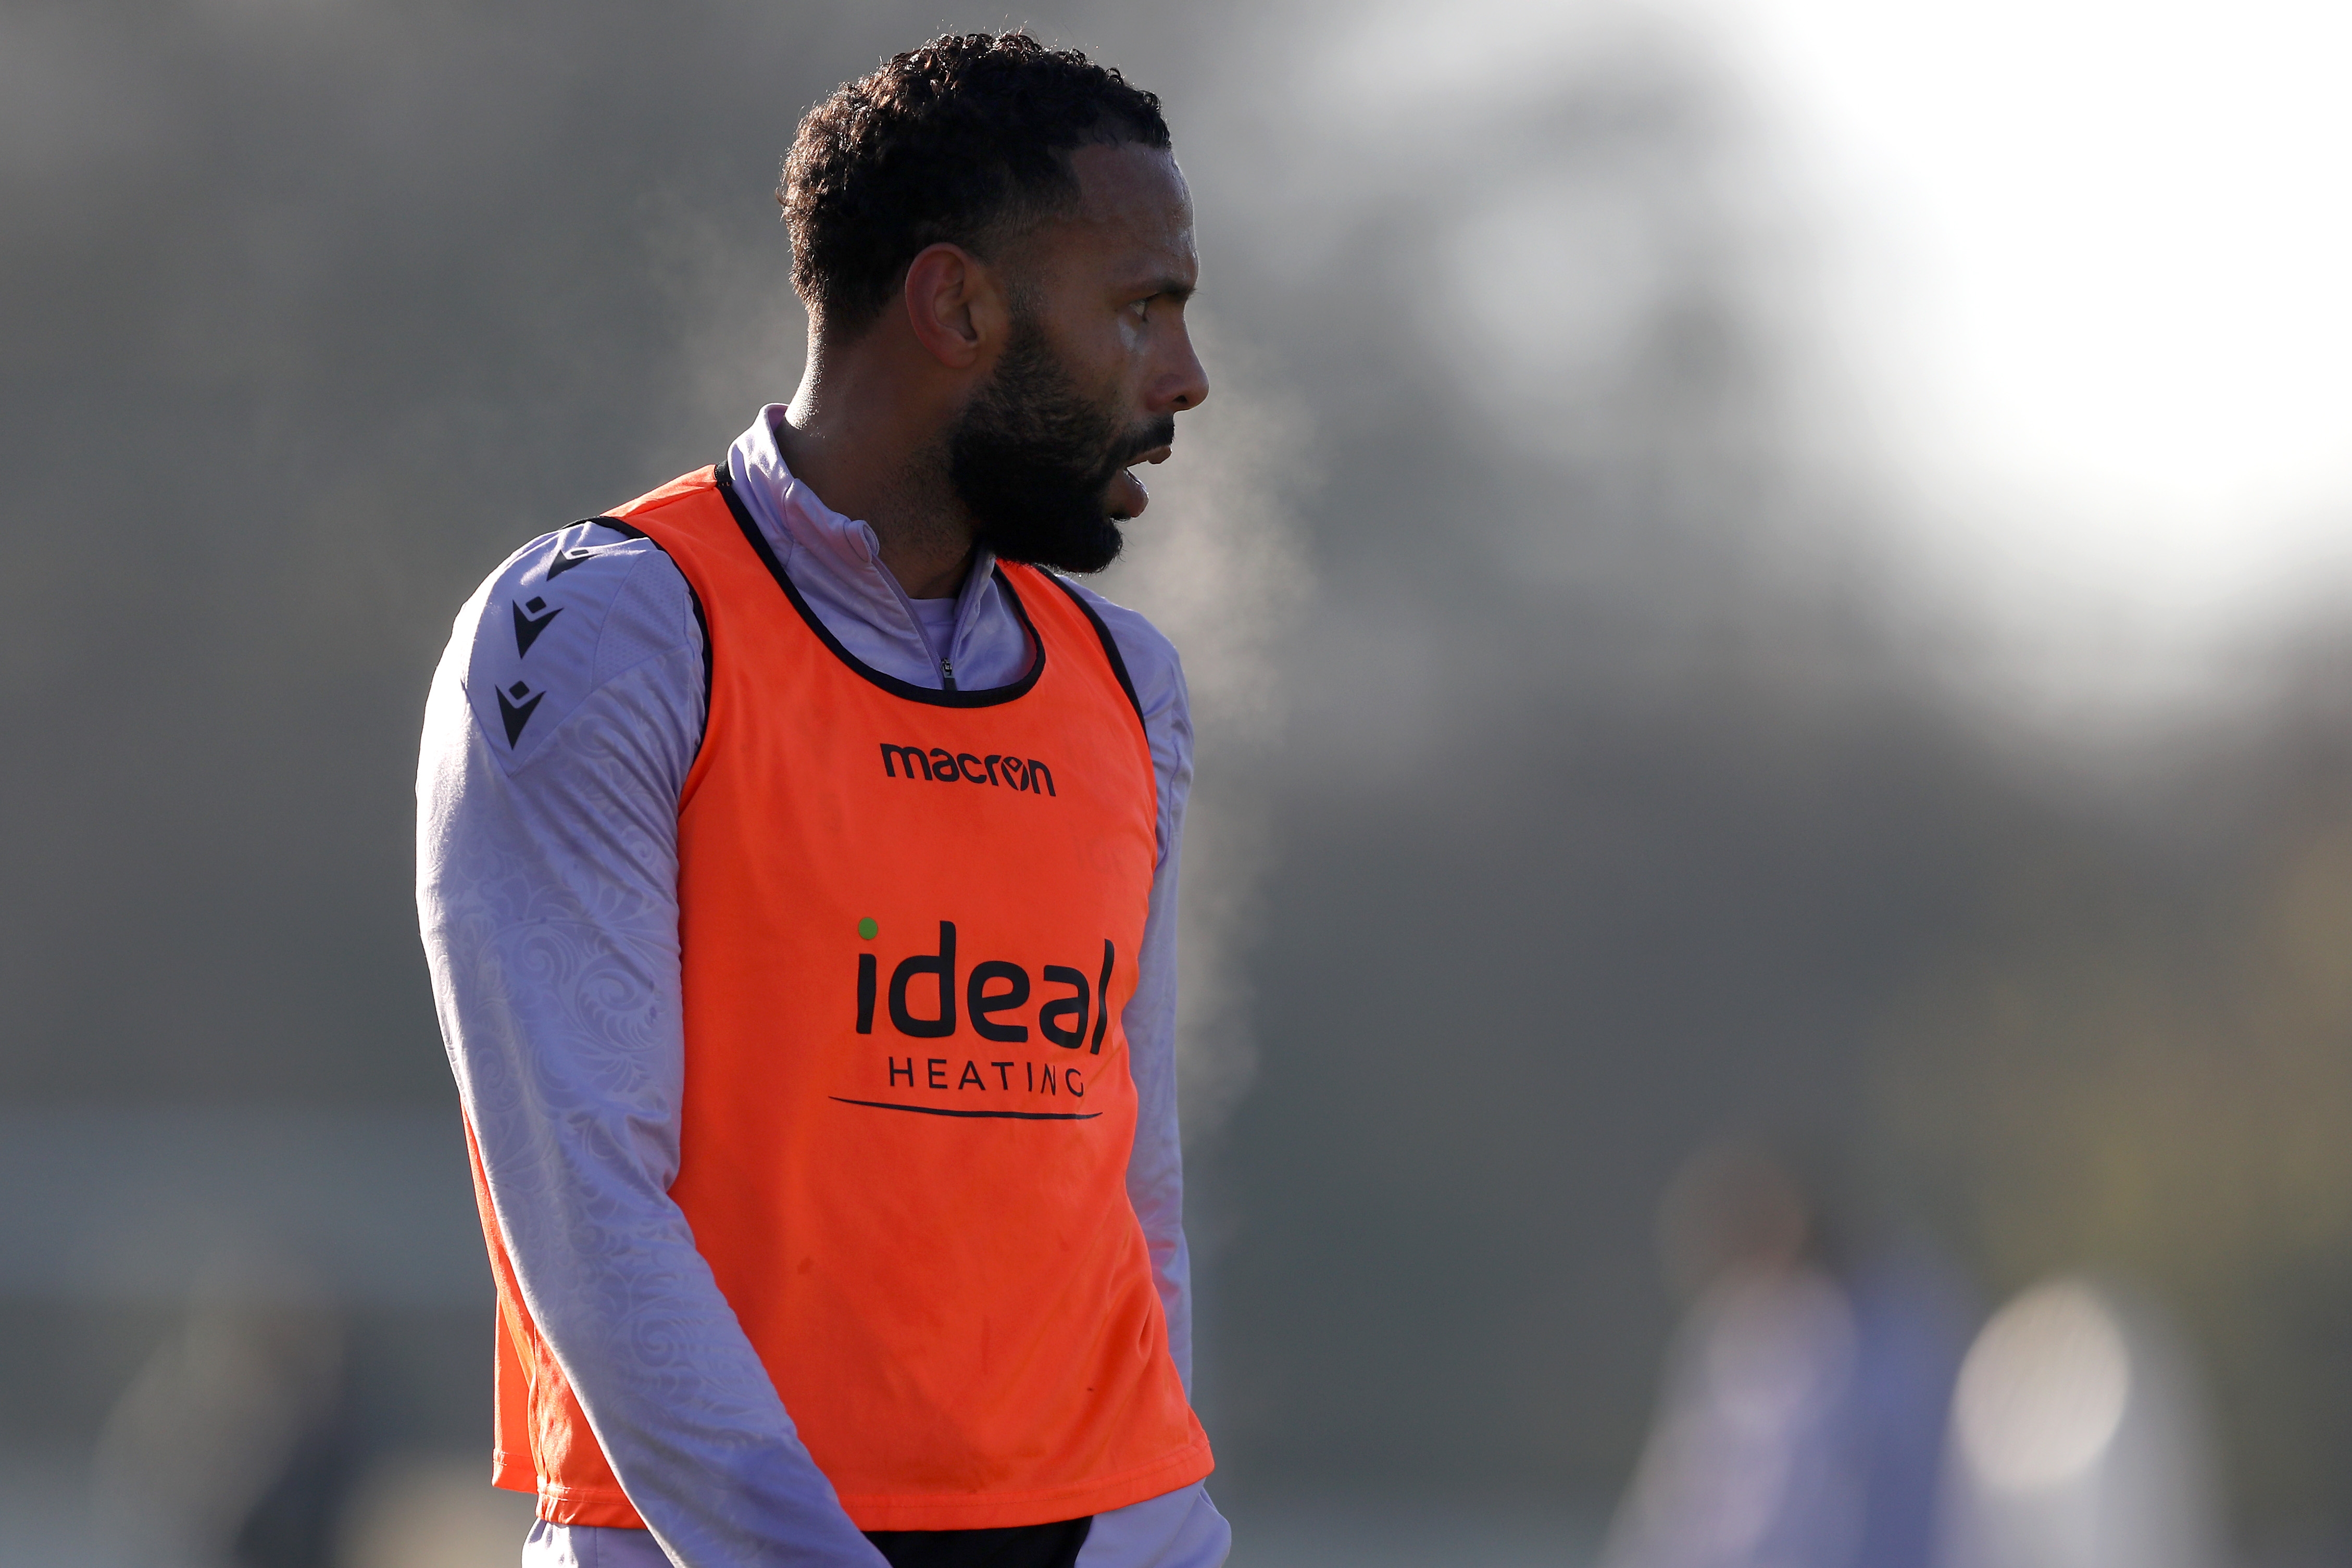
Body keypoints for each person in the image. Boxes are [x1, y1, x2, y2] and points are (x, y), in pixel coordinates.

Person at [415, 33, 1223, 1568]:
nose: (1184, 374)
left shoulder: (1130, 685)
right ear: (956, 306)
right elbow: (589, 1196)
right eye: (1140, 307)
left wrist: (1163, 1540)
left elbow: (1131, 1184)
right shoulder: (599, 631)